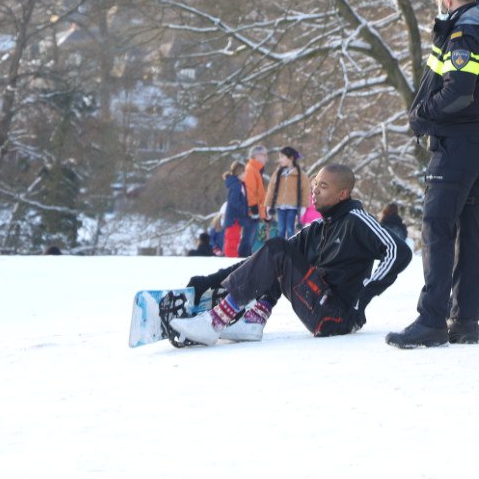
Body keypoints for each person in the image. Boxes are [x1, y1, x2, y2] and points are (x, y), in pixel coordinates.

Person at [387, 0, 479, 349]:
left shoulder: (464, 32)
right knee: (472, 228)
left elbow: (458, 92)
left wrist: (422, 115)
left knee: (437, 227)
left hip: (458, 145)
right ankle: (465, 322)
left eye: (437, 0)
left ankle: (431, 320)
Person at [167, 164, 411, 345]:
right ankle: (253, 321)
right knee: (278, 251)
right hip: (320, 307)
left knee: (279, 250)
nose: (315, 190)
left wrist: (362, 298)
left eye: (324, 186)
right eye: (315, 183)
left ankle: (215, 321)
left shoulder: (357, 221)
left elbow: (399, 252)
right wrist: (210, 281)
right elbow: (263, 259)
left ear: (342, 194)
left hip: (337, 316)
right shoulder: (318, 228)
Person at [263, 147, 309, 242]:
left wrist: (303, 206)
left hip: (293, 206)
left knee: (290, 229)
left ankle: (291, 247)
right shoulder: (277, 173)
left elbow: (305, 191)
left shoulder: (301, 175)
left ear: (291, 158)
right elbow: (271, 190)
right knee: (281, 229)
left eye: (282, 157)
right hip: (280, 206)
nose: (280, 159)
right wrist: (268, 205)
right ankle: (280, 248)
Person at [238, 146, 269, 256]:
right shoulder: (251, 170)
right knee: (248, 239)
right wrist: (253, 207)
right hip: (251, 211)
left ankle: (244, 259)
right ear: (257, 156)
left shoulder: (256, 170)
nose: (266, 158)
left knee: (251, 239)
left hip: (255, 210)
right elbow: (249, 190)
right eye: (264, 155)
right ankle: (242, 260)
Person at [221, 160, 247, 256]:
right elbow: (233, 201)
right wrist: (244, 209)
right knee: (232, 239)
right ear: (240, 173)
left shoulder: (238, 184)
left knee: (233, 239)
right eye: (244, 172)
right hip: (234, 218)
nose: (246, 174)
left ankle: (231, 257)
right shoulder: (236, 185)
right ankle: (231, 259)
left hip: (235, 217)